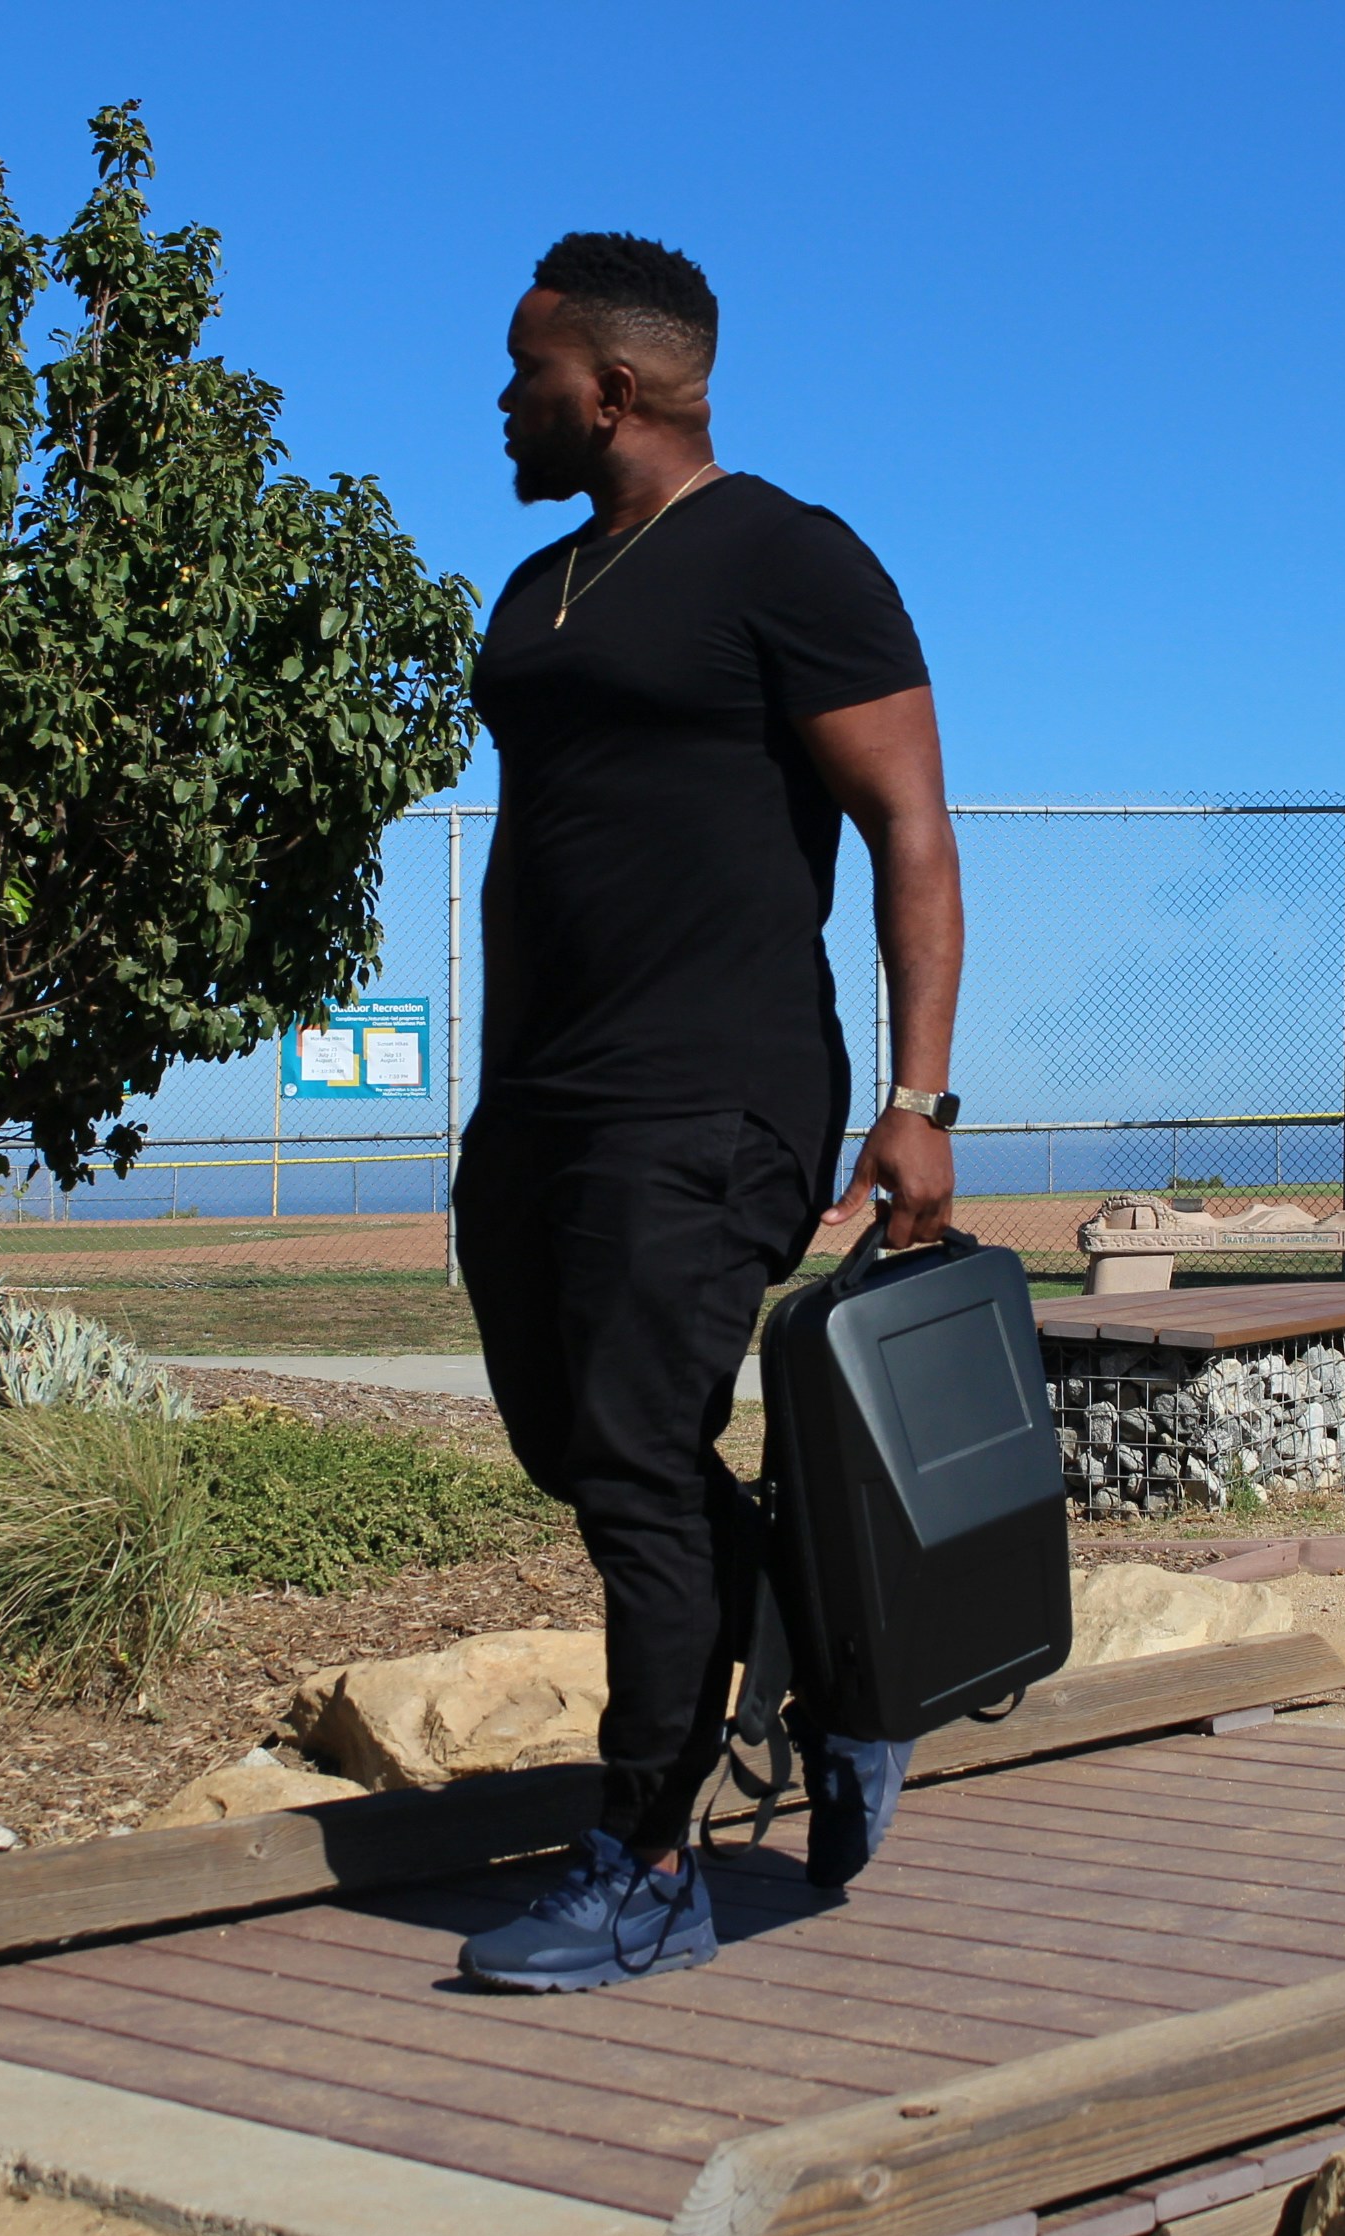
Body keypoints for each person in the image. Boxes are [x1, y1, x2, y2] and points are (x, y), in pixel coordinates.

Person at [451, 233, 967, 1992]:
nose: (501, 400)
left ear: (614, 386)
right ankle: (850, 1682)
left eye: (525, 369)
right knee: (593, 1453)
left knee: (636, 1464)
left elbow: (910, 824)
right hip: (539, 1097)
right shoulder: (540, 589)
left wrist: (919, 1096)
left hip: (716, 1091)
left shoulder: (789, 559)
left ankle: (650, 1864)